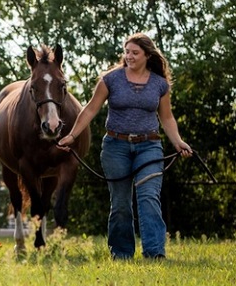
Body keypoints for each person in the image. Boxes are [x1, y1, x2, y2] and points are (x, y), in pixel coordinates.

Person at [57, 32, 191, 260]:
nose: (129, 56)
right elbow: (90, 109)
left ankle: (154, 253)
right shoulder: (111, 79)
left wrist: (178, 142)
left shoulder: (160, 85)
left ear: (147, 55)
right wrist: (72, 135)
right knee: (120, 203)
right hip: (115, 146)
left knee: (148, 198)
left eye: (134, 53)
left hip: (149, 146)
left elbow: (167, 118)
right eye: (126, 51)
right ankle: (121, 254)